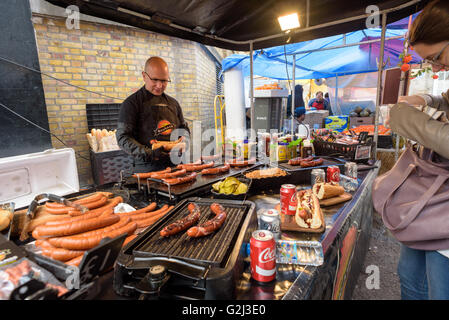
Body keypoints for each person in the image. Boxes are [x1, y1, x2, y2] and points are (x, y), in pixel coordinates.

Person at [386, 0, 449, 300]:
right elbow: (445, 98)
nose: (436, 68)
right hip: (432, 193)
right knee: (409, 276)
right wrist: (425, 100)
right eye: (430, 62)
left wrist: (414, 125)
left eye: (437, 57)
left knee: (439, 289)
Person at [116, 56, 190, 173]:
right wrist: (150, 153)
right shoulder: (131, 104)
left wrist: (184, 142)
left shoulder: (173, 103)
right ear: (144, 76)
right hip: (147, 168)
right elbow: (123, 138)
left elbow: (183, 128)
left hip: (175, 166)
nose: (159, 85)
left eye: (164, 81)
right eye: (155, 80)